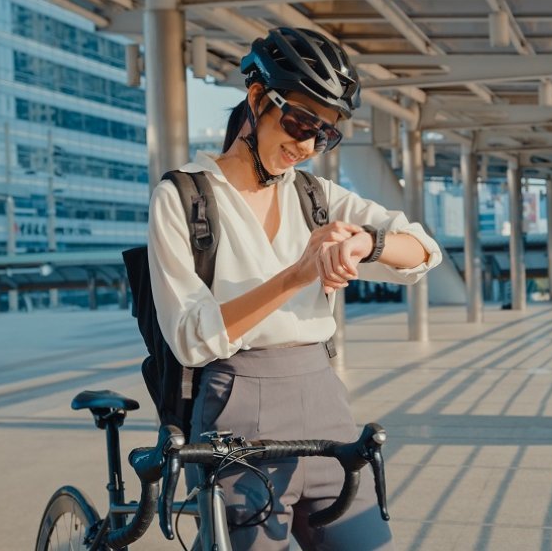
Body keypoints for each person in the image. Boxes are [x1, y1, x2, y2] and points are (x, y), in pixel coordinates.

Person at [148, 27, 441, 550]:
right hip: (236, 407)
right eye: (299, 121)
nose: (306, 146)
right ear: (258, 98)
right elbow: (193, 338)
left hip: (324, 401)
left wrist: (363, 245)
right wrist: (296, 276)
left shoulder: (315, 195)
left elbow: (421, 249)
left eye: (324, 135)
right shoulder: (184, 197)